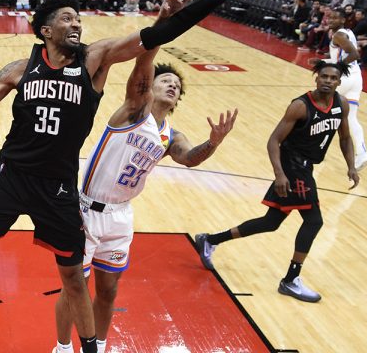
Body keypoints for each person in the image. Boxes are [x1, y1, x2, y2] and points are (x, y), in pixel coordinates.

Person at [0, 0, 241, 353]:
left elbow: (155, 37)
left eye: (78, 19)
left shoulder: (94, 60)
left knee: (75, 280)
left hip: (58, 188)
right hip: (10, 179)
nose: (76, 24)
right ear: (46, 30)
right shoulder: (20, 70)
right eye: (67, 19)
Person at [52, 35, 238, 352]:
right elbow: (143, 63)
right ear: (150, 86)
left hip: (121, 215)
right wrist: (161, 32)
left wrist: (213, 143)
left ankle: (99, 346)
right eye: (165, 81)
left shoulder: (171, 136)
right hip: (86, 210)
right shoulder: (134, 111)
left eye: (176, 86)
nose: (172, 86)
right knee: (75, 288)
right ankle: (63, 347)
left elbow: (189, 158)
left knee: (108, 290)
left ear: (177, 101)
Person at [195, 60, 360, 303]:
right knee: (314, 221)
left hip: (306, 167)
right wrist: (279, 174)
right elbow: (274, 140)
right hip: (293, 167)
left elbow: (345, 138)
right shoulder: (300, 106)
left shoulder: (341, 104)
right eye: (323, 76)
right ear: (316, 78)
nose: (327, 81)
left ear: (338, 82)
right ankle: (290, 280)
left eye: (332, 78)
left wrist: (351, 166)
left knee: (270, 222)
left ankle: (209, 240)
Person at [325, 7, 367, 171]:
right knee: (351, 118)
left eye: (335, 18)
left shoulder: (338, 35)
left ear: (343, 20)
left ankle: (314, 147)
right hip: (356, 78)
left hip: (344, 78)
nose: (331, 20)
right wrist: (324, 62)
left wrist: (337, 68)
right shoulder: (348, 32)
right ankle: (362, 154)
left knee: (322, 110)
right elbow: (343, 57)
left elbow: (354, 54)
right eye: (330, 17)